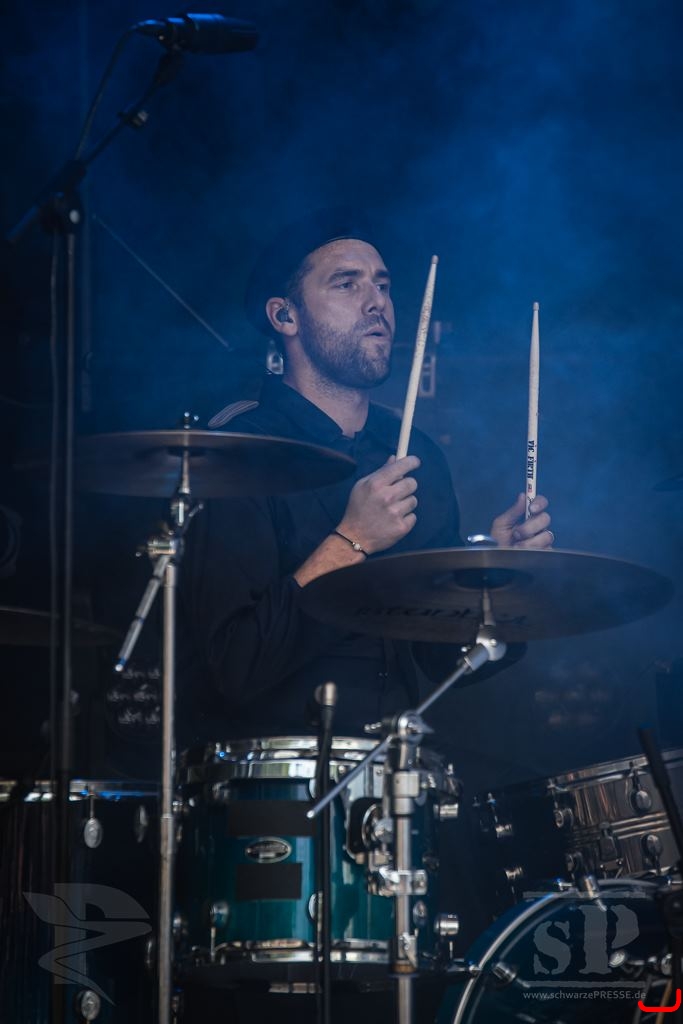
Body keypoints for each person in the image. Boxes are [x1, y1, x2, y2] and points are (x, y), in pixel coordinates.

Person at [178, 208, 552, 746]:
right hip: (271, 779)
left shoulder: (416, 454)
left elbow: (440, 659)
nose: (376, 301)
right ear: (285, 316)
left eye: (382, 284)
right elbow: (232, 667)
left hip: (392, 772)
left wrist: (496, 583)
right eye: (346, 283)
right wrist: (351, 541)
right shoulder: (240, 454)